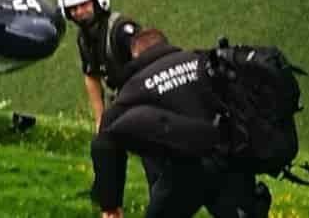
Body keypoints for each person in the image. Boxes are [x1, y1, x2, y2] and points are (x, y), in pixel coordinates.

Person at [91, 28, 272, 218]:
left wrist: (110, 203)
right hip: (231, 159)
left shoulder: (135, 87)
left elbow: (104, 141)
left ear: (136, 56)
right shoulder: (203, 61)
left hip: (186, 171)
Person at [57, 0, 140, 131]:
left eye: (83, 4)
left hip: (142, 96)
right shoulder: (83, 38)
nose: (79, 12)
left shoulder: (120, 29)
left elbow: (148, 63)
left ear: (97, 1)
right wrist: (100, 120)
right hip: (119, 100)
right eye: (73, 8)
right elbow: (91, 75)